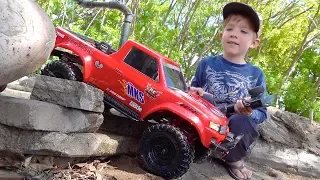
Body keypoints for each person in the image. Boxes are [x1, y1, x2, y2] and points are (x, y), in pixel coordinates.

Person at [189, 2, 267, 180]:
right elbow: (192, 91)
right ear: (221, 34)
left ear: (254, 43)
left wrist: (250, 112)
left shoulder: (256, 74)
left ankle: (233, 159)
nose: (234, 34)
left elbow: (262, 113)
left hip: (233, 125)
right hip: (207, 118)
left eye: (243, 31)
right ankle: (195, 143)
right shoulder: (207, 63)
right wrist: (194, 92)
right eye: (230, 28)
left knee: (244, 121)